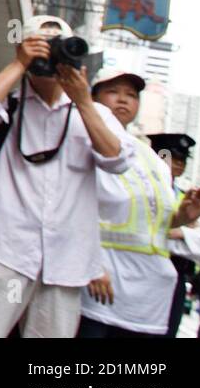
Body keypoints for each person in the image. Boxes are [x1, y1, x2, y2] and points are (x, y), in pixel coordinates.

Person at [0, 15, 134, 338]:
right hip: (6, 249)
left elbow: (118, 160)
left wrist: (83, 100)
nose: (50, 55)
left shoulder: (92, 113)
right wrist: (18, 64)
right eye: (41, 45)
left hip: (67, 262)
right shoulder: (11, 104)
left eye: (57, 47)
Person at [77, 69, 180, 337]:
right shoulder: (79, 136)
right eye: (113, 92)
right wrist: (92, 265)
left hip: (148, 302)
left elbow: (153, 221)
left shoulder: (152, 157)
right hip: (100, 290)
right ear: (92, 96)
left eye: (131, 95)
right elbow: (72, 207)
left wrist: (184, 215)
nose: (123, 100)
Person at [148, 132, 200, 336]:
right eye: (172, 158)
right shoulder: (144, 191)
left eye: (182, 160)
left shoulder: (186, 197)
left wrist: (179, 232)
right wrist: (182, 233)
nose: (178, 164)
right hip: (146, 269)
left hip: (176, 275)